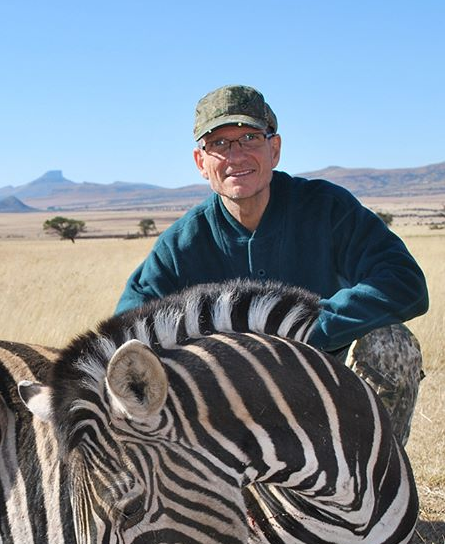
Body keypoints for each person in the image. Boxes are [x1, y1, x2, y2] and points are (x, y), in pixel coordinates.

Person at [117, 84, 429, 445]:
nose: (236, 155)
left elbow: (405, 283)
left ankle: (374, 485)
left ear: (274, 149)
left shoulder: (327, 209)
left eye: (250, 137)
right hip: (228, 404)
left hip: (326, 385)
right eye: (218, 144)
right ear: (201, 162)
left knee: (391, 344)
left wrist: (310, 328)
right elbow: (127, 331)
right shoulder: (182, 243)